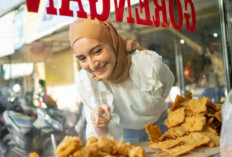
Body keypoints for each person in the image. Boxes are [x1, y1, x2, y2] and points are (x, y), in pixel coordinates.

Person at [69, 17, 175, 143]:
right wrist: (100, 124)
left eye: (97, 51)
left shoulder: (145, 65)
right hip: (126, 138)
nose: (92, 65)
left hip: (164, 130)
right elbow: (100, 137)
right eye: (82, 58)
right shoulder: (87, 81)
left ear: (113, 42)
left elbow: (166, 87)